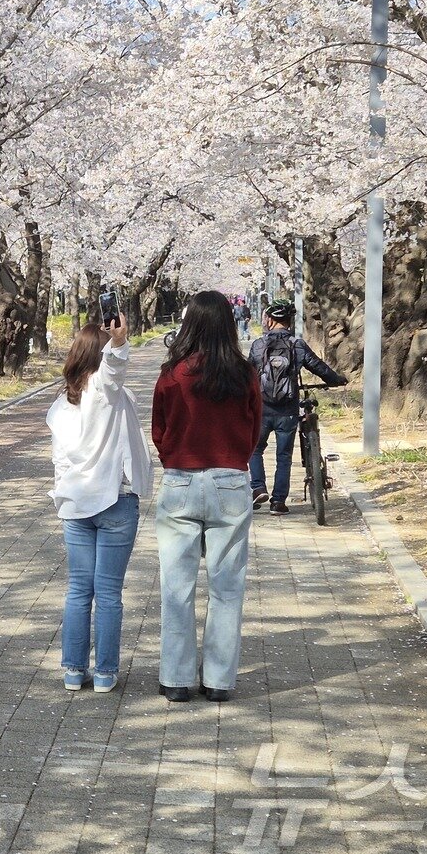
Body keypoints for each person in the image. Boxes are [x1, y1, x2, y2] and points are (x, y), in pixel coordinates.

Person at [151, 290, 263, 703]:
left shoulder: (172, 373)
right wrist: (235, 457)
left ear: (189, 324)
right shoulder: (244, 374)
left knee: (176, 587)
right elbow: (255, 428)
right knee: (227, 588)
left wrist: (175, 457)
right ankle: (218, 680)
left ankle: (176, 679)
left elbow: (159, 430)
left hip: (180, 481)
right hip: (230, 481)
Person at [47, 315, 153, 693]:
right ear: (99, 356)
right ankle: (105, 673)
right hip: (115, 502)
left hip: (76, 505)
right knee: (107, 592)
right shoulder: (104, 391)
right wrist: (119, 343)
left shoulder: (61, 406)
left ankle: (74, 671)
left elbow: (59, 462)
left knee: (79, 590)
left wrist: (65, 495)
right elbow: (113, 369)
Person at [248, 299, 348, 515]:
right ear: (290, 321)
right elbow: (318, 366)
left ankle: (258, 487)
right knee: (283, 457)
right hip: (288, 411)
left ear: (269, 320)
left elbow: (247, 375)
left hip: (261, 410)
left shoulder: (258, 345)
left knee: (255, 449)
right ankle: (278, 502)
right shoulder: (297, 345)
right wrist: (336, 380)